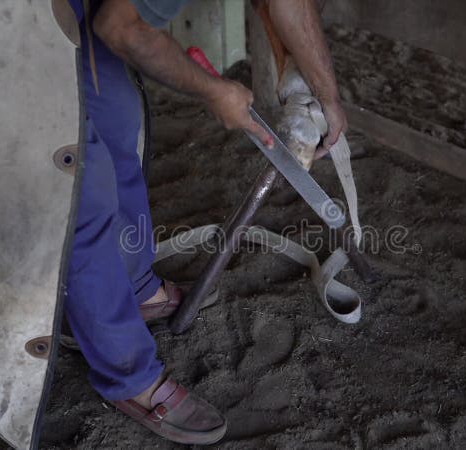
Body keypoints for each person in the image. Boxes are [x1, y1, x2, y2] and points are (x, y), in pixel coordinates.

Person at [62, 0, 347, 444]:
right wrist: (213, 91)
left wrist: (326, 96)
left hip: (77, 10)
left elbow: (289, 4)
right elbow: (120, 27)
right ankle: (129, 376)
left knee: (118, 121)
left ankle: (135, 289)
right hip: (14, 24)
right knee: (82, 183)